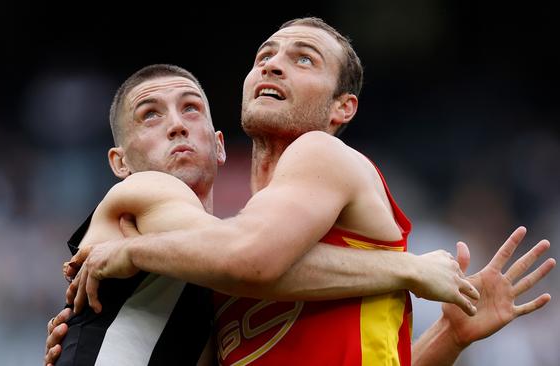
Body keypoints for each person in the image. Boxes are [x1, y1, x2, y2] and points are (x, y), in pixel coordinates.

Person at [53, 17, 555, 364]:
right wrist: (444, 329)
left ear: (343, 109)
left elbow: (252, 259)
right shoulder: (219, 270)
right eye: (264, 55)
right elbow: (250, 262)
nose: (272, 65)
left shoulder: (318, 153)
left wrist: (133, 253)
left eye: (304, 59)